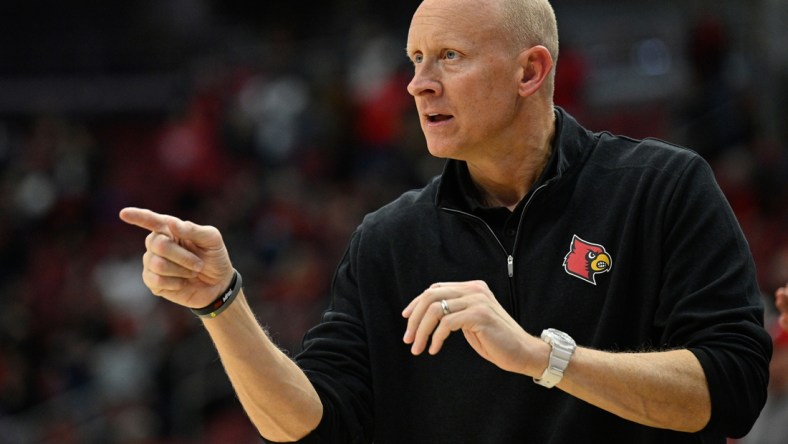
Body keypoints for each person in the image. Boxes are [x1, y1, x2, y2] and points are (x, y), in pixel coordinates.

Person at [119, 0, 772, 442]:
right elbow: (310, 424)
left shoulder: (661, 188)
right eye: (415, 59)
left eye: (449, 58)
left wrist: (543, 358)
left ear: (530, 70)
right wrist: (222, 303)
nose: (417, 85)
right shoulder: (389, 239)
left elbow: (734, 386)